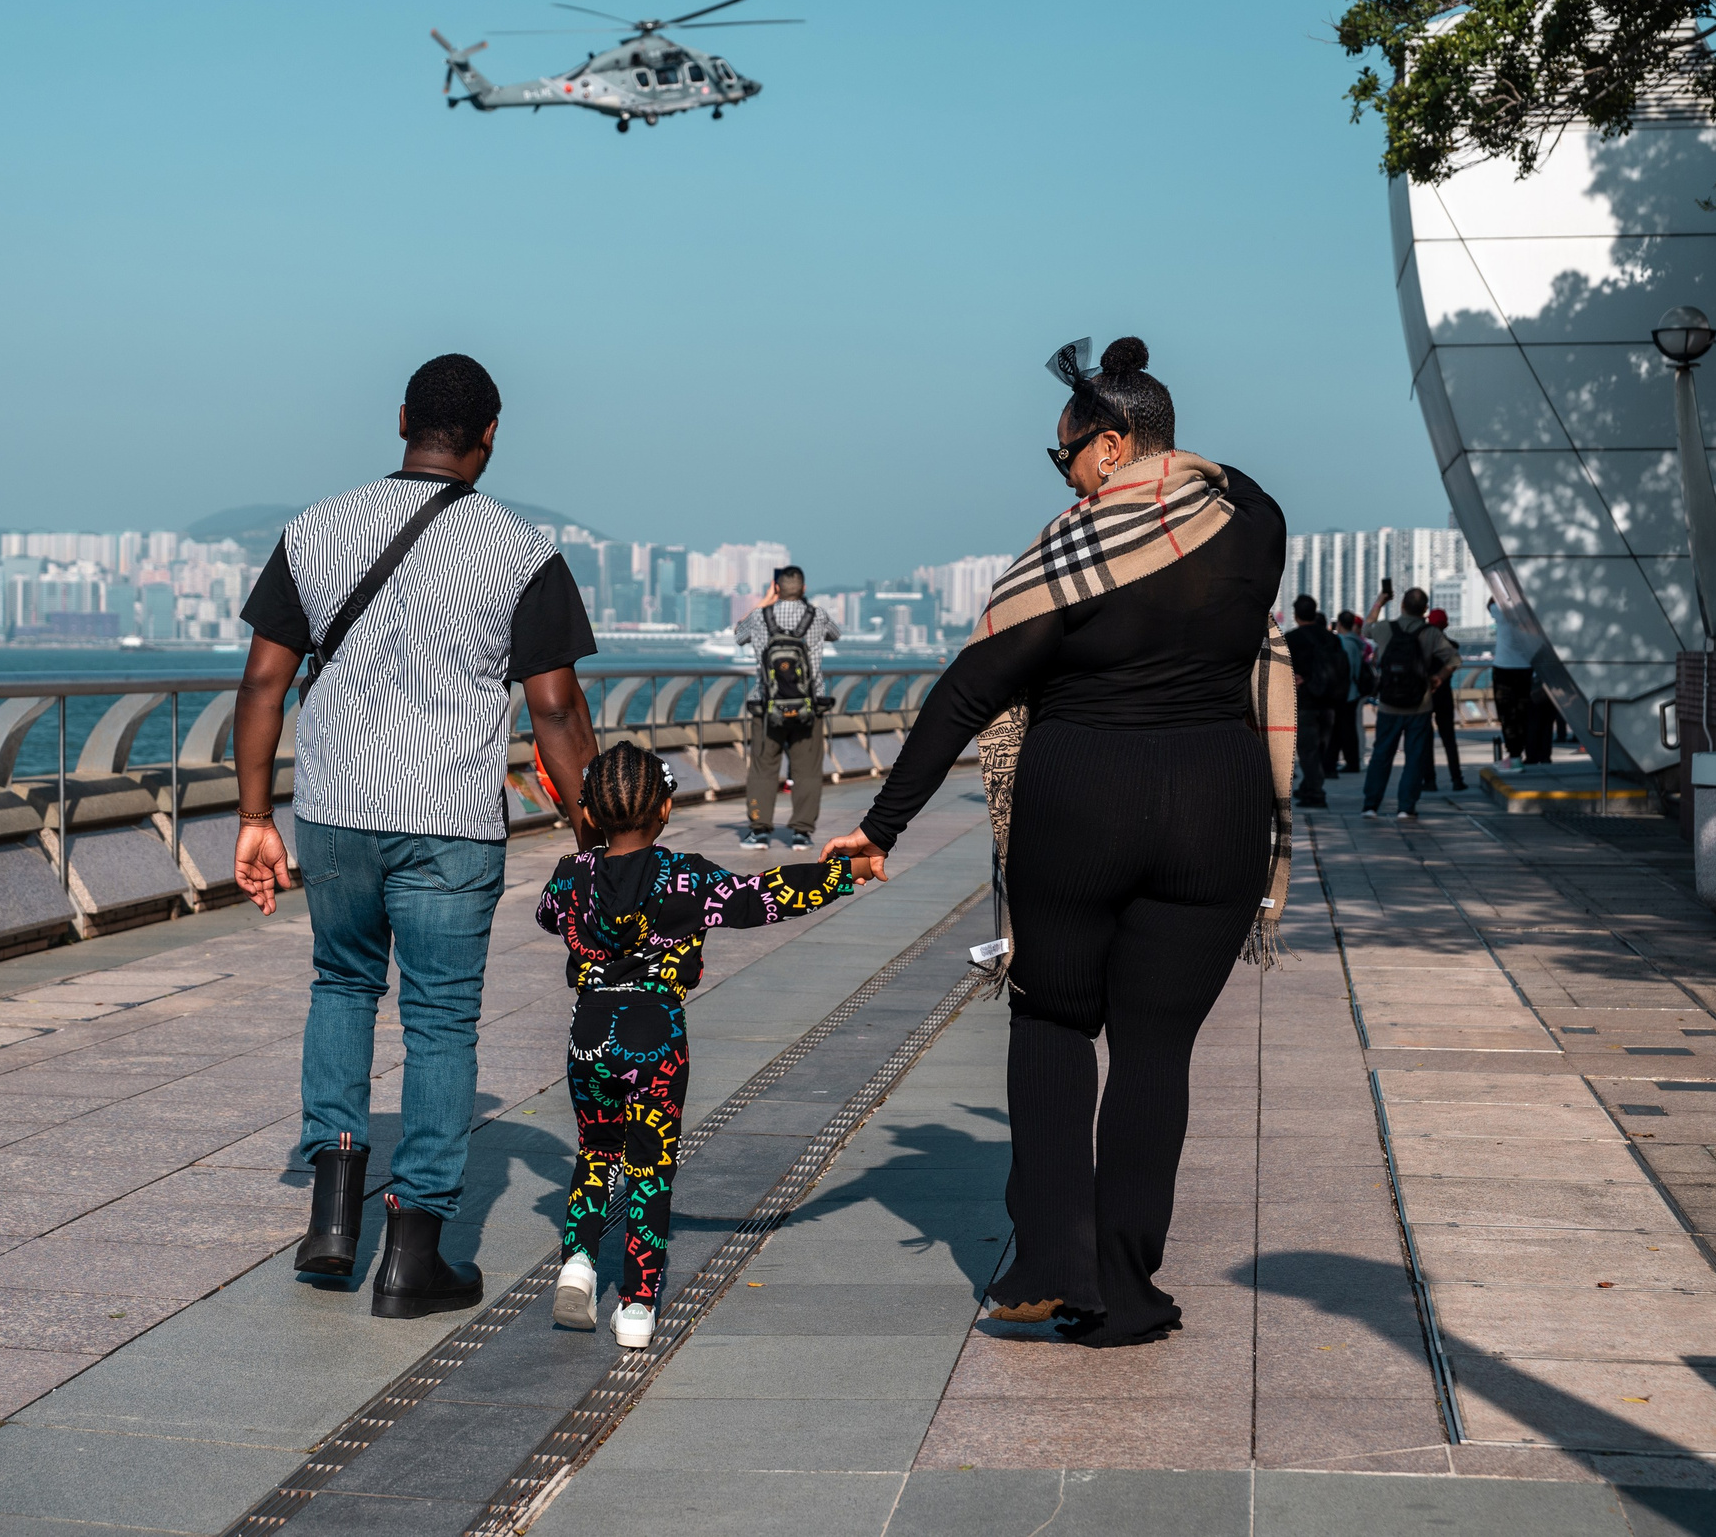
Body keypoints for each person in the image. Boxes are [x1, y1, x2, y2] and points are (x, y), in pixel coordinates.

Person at [825, 335, 1293, 1349]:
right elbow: (1228, 478)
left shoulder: (1068, 561)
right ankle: (1124, 1294)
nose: (1064, 477)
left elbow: (966, 692)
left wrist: (878, 826)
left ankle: (1047, 1263)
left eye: (1066, 454)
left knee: (1051, 1027)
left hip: (1079, 805)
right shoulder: (1252, 523)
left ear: (1115, 446)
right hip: (1217, 809)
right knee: (1154, 1055)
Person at [233, 353, 601, 1320]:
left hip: (337, 810)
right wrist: (592, 829)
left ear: (401, 418)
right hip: (448, 818)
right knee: (439, 1022)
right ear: (492, 433)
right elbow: (556, 711)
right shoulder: (523, 551)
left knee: (342, 985)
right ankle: (413, 1252)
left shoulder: (314, 527)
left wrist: (254, 817)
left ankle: (331, 1218)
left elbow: (263, 684)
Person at [536, 743, 874, 1348]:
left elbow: (546, 914)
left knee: (594, 1152)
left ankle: (578, 1266)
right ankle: (637, 1308)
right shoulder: (686, 876)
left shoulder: (571, 876)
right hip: (655, 1034)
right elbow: (760, 896)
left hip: (589, 1031)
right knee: (649, 1168)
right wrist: (842, 874)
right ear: (666, 809)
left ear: (587, 813)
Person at [735, 567, 839, 849]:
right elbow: (835, 634)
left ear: (776, 588)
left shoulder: (759, 616)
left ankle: (759, 831)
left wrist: (765, 602)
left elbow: (738, 635)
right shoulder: (817, 615)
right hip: (810, 707)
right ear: (803, 589)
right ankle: (801, 833)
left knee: (762, 768)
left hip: (767, 708)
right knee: (807, 770)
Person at [1357, 585, 1460, 819]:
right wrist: (1438, 678)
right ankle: (1406, 807)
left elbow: (1366, 628)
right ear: (1425, 610)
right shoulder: (1431, 633)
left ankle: (1371, 805)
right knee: (1415, 757)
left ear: (1402, 605)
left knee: (1381, 754)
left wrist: (1380, 601)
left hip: (1388, 705)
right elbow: (1454, 659)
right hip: (1420, 705)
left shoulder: (1385, 628)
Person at [1284, 594, 1348, 808]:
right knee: (1320, 747)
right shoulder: (1332, 638)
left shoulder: (1292, 639)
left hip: (1306, 702)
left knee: (1307, 749)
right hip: (1330, 702)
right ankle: (1309, 786)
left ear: (1296, 615)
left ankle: (1315, 792)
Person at [1488, 597, 1537, 772]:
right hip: (1525, 668)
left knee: (1507, 715)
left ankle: (1514, 757)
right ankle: (1518, 754)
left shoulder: (1501, 612)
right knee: (1522, 714)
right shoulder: (1531, 611)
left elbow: (1490, 603)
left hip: (1503, 668)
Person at [1425, 607, 1466, 790]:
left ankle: (1430, 780)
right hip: (1445, 695)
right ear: (1446, 624)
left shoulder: (1423, 646)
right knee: (1449, 739)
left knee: (1425, 739)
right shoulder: (1453, 646)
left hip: (1426, 695)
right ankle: (1456, 779)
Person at [1331, 611, 1369, 775]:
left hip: (1346, 692)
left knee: (1345, 729)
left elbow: (1345, 670)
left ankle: (1351, 762)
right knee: (1349, 728)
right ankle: (1351, 761)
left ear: (1339, 624)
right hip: (1354, 691)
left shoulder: (1345, 644)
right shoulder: (1356, 643)